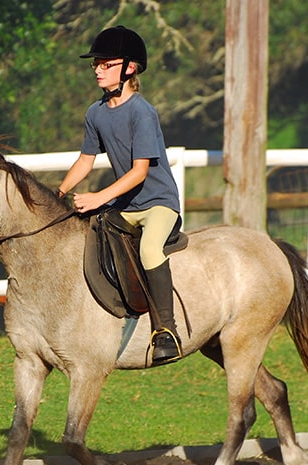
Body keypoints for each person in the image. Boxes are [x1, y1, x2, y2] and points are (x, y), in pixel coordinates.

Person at [57, 25, 182, 365]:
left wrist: (98, 198)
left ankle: (165, 331)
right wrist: (60, 192)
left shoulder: (142, 112)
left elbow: (140, 171)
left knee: (150, 248)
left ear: (129, 68)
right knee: (89, 234)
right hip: (125, 204)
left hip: (158, 203)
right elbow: (86, 160)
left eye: (105, 64)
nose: (97, 69)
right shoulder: (95, 113)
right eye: (95, 64)